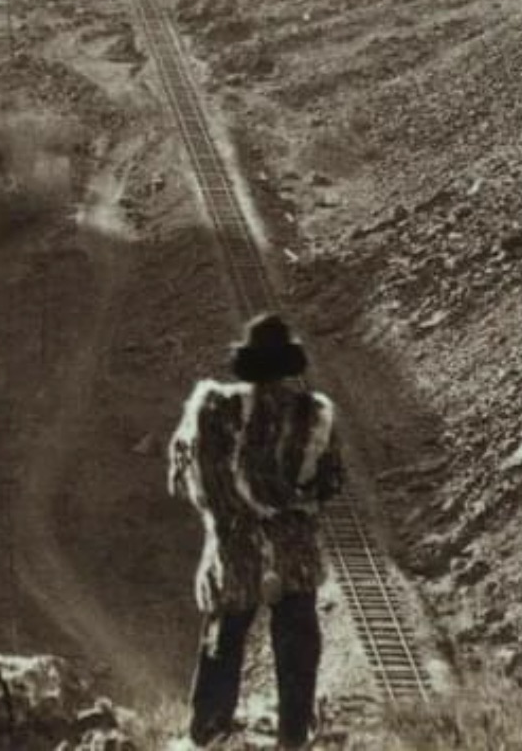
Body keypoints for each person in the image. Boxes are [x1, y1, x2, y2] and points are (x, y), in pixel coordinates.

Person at [167, 314, 343, 749]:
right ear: (288, 365)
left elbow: (202, 487)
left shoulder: (215, 411)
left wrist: (237, 515)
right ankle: (293, 737)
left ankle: (210, 732)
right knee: (297, 643)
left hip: (236, 548)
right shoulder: (313, 417)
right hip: (293, 552)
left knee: (224, 638)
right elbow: (329, 483)